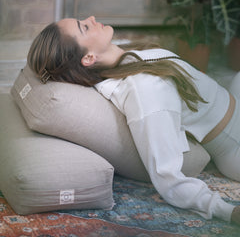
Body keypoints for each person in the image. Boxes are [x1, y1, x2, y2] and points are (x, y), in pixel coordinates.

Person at [27, 16, 240, 225]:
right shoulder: (145, 90)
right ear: (89, 58)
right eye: (84, 27)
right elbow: (168, 177)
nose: (91, 18)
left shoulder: (126, 60)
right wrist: (227, 211)